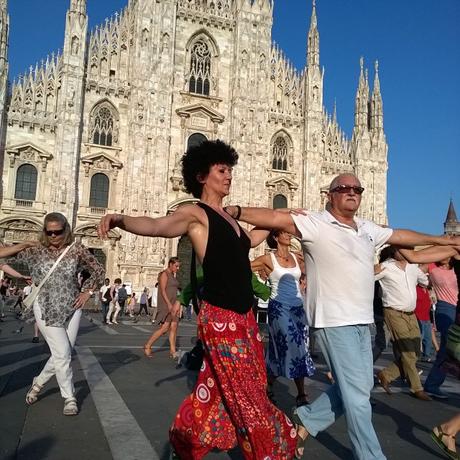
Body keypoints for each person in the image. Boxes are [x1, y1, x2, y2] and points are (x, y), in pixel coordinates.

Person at [223, 173, 460, 459]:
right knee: (359, 399)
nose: (352, 192)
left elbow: (400, 235)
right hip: (333, 320)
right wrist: (236, 211)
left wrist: (441, 239)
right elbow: (275, 217)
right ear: (330, 194)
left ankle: (306, 420)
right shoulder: (316, 222)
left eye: (357, 189)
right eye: (344, 188)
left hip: (363, 322)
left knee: (360, 386)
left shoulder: (366, 228)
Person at [98, 139, 297, 459]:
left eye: (230, 169)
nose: (229, 175)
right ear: (202, 176)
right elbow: (158, 226)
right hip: (222, 319)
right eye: (222, 170)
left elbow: (260, 230)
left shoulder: (231, 221)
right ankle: (270, 449)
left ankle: (185, 444)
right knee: (249, 397)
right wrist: (122, 219)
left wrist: (280, 215)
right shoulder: (195, 214)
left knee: (219, 393)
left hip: (244, 319)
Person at [0, 212, 104, 415]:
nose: (54, 236)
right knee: (63, 354)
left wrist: (87, 292)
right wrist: (20, 246)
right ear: (45, 232)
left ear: (66, 230)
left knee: (61, 354)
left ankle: (37, 384)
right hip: (45, 307)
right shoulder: (35, 251)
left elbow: (99, 270)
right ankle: (69, 397)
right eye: (49, 232)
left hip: (72, 307)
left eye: (58, 232)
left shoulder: (76, 250)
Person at [399, 245, 460, 457]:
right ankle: (448, 429)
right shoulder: (448, 254)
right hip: (447, 310)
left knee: (443, 351)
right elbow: (416, 256)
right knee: (443, 350)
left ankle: (449, 429)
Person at [251, 230, 315, 407]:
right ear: (275, 237)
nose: (288, 234)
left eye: (289, 232)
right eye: (283, 233)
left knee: (299, 347)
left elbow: (315, 265)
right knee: (289, 345)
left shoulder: (296, 256)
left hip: (297, 308)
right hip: (279, 308)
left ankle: (278, 386)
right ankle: (297, 392)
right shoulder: (267, 259)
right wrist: (259, 286)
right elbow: (243, 268)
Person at [374, 245, 431, 400]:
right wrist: (371, 270)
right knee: (407, 351)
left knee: (416, 351)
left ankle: (386, 374)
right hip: (393, 312)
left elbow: (424, 281)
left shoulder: (413, 267)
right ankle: (417, 388)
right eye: (402, 249)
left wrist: (426, 281)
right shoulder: (386, 266)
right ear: (395, 251)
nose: (405, 252)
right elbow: (366, 278)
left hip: (411, 313)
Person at [422, 256, 459, 398]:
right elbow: (418, 272)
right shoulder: (432, 267)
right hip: (444, 307)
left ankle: (433, 384)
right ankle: (432, 384)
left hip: (457, 307)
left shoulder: (456, 268)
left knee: (449, 348)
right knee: (447, 347)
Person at [142, 258, 181, 359]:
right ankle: (147, 345)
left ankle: (173, 351)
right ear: (170, 264)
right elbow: (162, 290)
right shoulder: (164, 274)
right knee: (164, 328)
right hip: (167, 304)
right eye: (176, 266)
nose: (178, 268)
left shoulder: (172, 275)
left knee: (174, 327)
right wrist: (168, 304)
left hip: (174, 303)